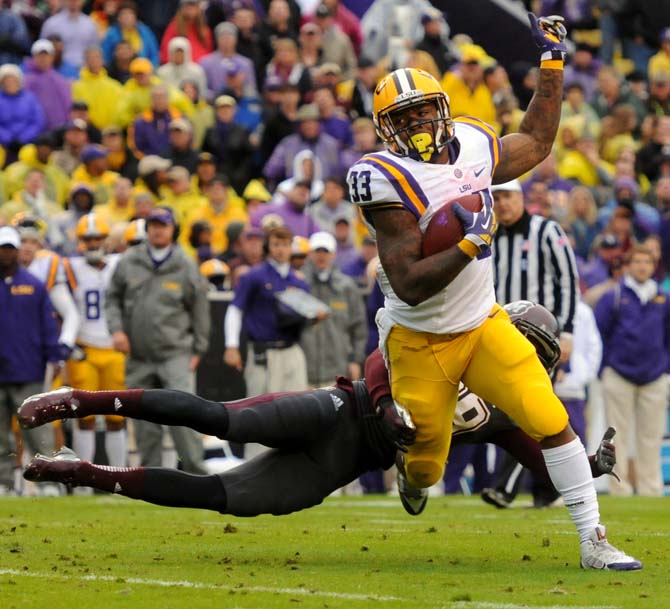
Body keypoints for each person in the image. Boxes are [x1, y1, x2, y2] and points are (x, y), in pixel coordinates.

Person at [345, 14, 640, 570]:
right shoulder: (381, 177)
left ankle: (594, 541)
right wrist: (469, 245)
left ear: (442, 108)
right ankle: (412, 474)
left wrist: (551, 63)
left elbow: (536, 138)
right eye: (402, 118)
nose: (417, 125)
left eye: (423, 112)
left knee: (550, 416)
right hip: (421, 337)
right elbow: (407, 282)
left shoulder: (476, 143)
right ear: (385, 129)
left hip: (482, 323)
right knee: (427, 463)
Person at [18, 302, 616, 527]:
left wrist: (588, 465)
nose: (526, 363)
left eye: (537, 358)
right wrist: (382, 404)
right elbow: (380, 359)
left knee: (225, 497)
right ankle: (75, 401)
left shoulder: (509, 412)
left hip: (350, 461)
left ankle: (84, 473)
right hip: (342, 409)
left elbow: (544, 463)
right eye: (526, 348)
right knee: (223, 419)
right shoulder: (453, 335)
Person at [482, 177, 580, 508]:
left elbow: (568, 281)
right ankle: (547, 488)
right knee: (524, 409)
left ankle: (506, 488)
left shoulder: (547, 231)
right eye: (497, 198)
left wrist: (566, 332)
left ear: (521, 197)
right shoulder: (490, 236)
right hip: (503, 336)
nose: (503, 203)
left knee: (526, 406)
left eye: (508, 196)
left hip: (541, 336)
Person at [106, 206, 211, 474]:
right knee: (143, 421)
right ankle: (149, 478)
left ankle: (196, 474)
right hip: (138, 355)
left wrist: (199, 348)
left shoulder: (185, 264)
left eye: (163, 224)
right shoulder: (129, 260)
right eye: (153, 224)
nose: (157, 229)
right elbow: (113, 298)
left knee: (184, 417)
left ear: (172, 228)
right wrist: (117, 330)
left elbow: (200, 308)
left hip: (175, 353)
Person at [594, 244, 670, 497]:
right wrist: (605, 368)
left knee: (652, 437)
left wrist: (665, 370)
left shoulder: (663, 298)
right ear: (628, 265)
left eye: (647, 262)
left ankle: (651, 489)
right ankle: (620, 488)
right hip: (618, 375)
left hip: (655, 376)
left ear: (653, 266)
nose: (642, 266)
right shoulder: (613, 296)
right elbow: (599, 335)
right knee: (617, 435)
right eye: (637, 261)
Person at [65, 213, 127, 478]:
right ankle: (84, 476)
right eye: (88, 239)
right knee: (84, 416)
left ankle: (118, 475)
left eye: (97, 238)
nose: (92, 244)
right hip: (85, 349)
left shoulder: (120, 264)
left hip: (114, 348)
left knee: (117, 416)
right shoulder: (70, 267)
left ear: (106, 240)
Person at [0, 226, 60, 496]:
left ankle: (47, 480)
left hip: (28, 370)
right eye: (2, 248)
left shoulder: (35, 286)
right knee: (0, 436)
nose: (6, 254)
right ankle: (4, 483)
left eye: (10, 248)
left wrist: (54, 355)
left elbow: (48, 325)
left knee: (37, 430)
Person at [300, 231, 367, 387]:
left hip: (337, 372)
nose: (321, 256)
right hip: (302, 372)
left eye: (326, 251)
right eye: (317, 251)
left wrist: (355, 361)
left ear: (334, 254)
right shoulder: (299, 284)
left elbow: (358, 328)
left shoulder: (347, 287)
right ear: (310, 254)